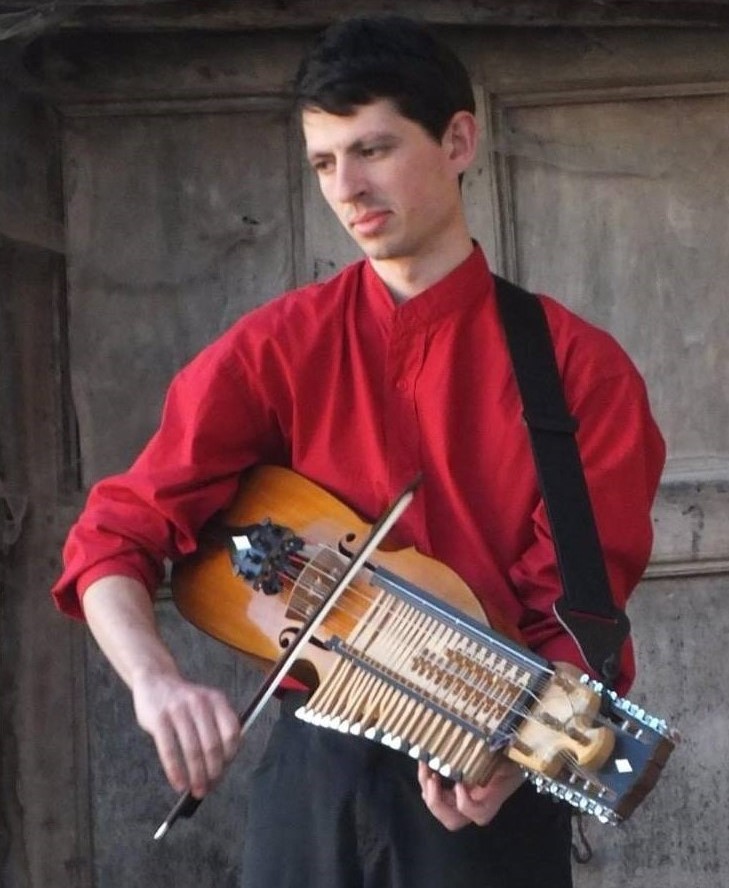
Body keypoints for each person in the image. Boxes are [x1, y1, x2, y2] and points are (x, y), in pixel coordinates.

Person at [52, 14, 665, 888]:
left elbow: (579, 614)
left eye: (373, 149)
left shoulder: (576, 368)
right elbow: (116, 534)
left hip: (485, 768)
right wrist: (155, 682)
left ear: (458, 141)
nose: (348, 188)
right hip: (313, 772)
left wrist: (510, 754)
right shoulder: (278, 347)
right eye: (324, 162)